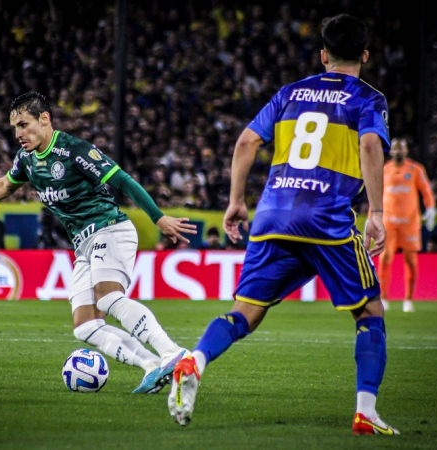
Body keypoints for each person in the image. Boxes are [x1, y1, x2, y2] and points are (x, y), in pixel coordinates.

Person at [168, 14, 400, 435]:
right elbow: (369, 143)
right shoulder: (369, 98)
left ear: (323, 54)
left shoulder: (290, 93)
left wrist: (237, 201)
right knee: (370, 311)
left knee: (247, 313)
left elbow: (245, 142)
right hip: (327, 219)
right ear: (364, 55)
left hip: (272, 215)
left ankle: (194, 360)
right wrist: (378, 213)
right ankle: (366, 410)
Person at [0, 92, 196, 394]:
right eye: (14, 128)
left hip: (109, 229)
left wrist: (158, 217)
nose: (19, 134)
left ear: (44, 119)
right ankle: (152, 365)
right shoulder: (27, 160)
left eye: (24, 124)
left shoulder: (74, 150)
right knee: (86, 327)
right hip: (82, 244)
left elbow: (122, 180)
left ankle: (173, 353)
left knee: (108, 298)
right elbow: (5, 185)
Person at [377, 138, 435, 313]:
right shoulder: (384, 169)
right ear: (391, 151)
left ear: (406, 151)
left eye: (401, 149)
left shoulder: (416, 169)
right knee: (385, 257)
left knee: (410, 260)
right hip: (389, 222)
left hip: (409, 222)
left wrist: (431, 208)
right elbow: (376, 194)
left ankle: (408, 299)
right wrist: (374, 216)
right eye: (395, 149)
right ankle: (383, 298)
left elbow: (426, 190)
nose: (398, 152)